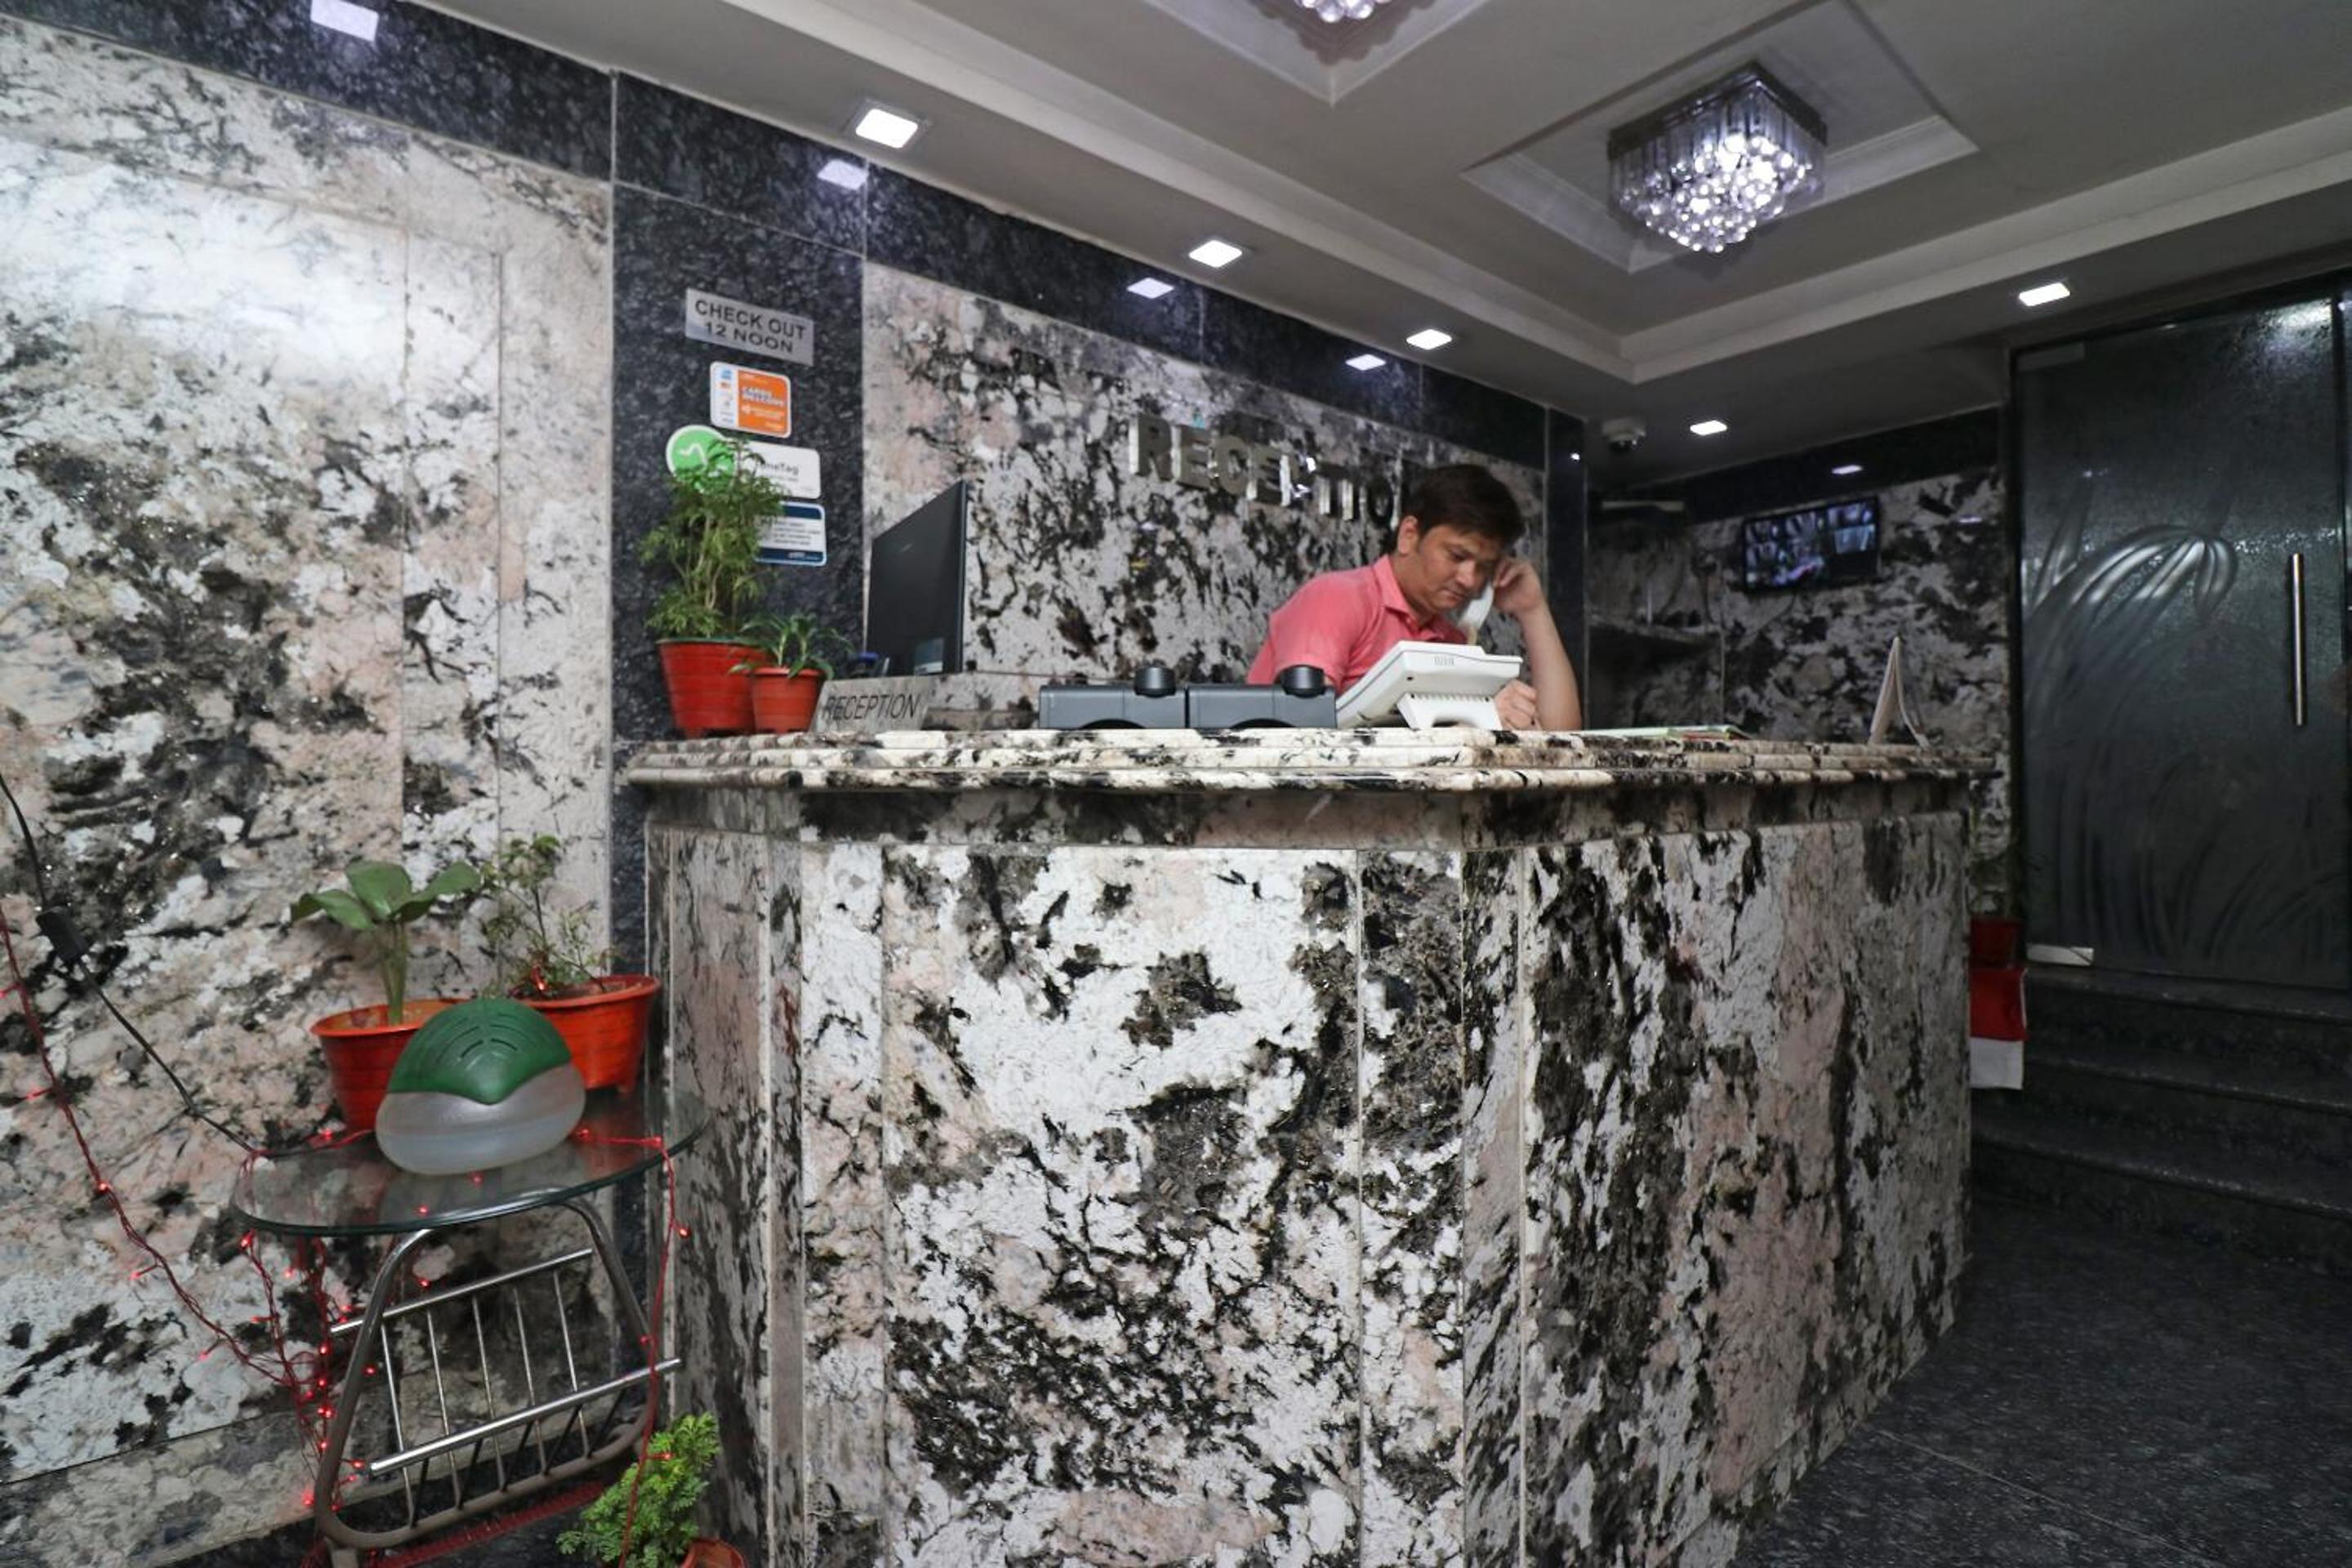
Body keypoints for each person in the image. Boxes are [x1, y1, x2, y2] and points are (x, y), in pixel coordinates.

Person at [1246, 463, 1582, 729]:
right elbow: (1303, 726)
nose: (1469, 579)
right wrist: (1467, 724)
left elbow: (1561, 734)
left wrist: (1533, 609)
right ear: (1409, 535)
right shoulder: (1337, 598)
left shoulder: (1449, 641)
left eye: (1484, 566)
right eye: (1457, 556)